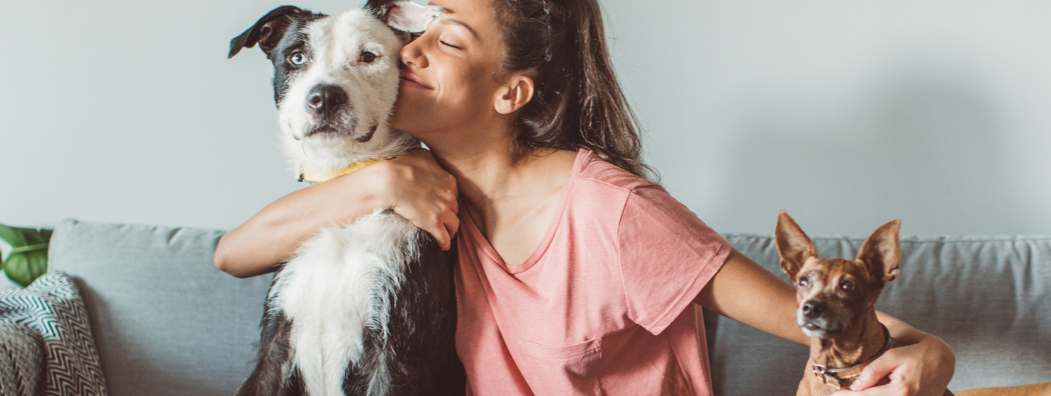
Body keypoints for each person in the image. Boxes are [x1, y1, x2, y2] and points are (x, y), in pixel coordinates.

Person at [213, 0, 955, 394]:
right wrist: (377, 179)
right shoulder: (414, 191)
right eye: (419, 30)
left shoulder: (612, 212)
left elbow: (826, 324)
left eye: (449, 39)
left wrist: (935, 357)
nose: (410, 51)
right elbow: (234, 253)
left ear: (512, 91)